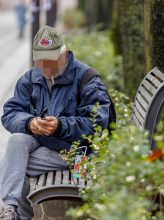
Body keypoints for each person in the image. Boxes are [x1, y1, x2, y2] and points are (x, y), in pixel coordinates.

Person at [0, 25, 111, 220]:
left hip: (78, 155)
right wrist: (29, 123)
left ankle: (20, 215)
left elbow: (98, 123)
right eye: (40, 61)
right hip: (44, 146)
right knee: (17, 140)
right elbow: (10, 112)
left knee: (12, 165)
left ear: (65, 53)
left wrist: (61, 126)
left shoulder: (87, 78)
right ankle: (10, 209)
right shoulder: (30, 78)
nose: (45, 66)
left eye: (50, 60)